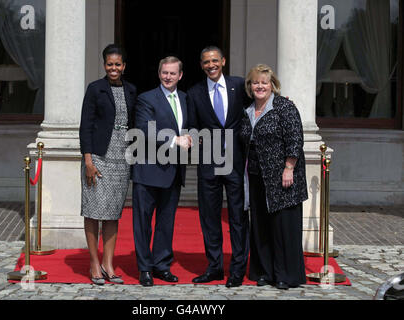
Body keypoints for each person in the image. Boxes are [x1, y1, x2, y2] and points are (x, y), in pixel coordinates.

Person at [240, 64, 308, 290]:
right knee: (261, 226)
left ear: (272, 85)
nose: (260, 86)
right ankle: (264, 272)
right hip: (256, 176)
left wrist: (289, 167)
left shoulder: (283, 107)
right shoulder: (248, 109)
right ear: (250, 86)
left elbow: (295, 138)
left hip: (281, 177)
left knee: (282, 227)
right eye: (255, 82)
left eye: (264, 82)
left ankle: (284, 275)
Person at [187, 46, 250, 288]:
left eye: (215, 60)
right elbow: (192, 126)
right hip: (209, 163)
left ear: (223, 61)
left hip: (235, 162)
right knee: (210, 218)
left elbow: (259, 101)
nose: (211, 65)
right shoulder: (195, 92)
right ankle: (214, 267)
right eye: (206, 62)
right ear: (201, 65)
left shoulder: (239, 85)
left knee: (237, 217)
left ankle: (237, 269)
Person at [79, 44, 137, 285]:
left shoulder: (132, 90)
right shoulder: (95, 89)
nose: (113, 68)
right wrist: (88, 160)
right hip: (99, 157)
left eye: (118, 64)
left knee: (113, 214)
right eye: (109, 64)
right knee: (93, 212)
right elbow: (86, 126)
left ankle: (108, 264)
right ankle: (94, 263)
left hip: (122, 159)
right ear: (104, 65)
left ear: (124, 66)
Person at [132, 56, 192, 286]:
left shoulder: (185, 98)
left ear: (180, 75)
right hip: (148, 170)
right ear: (159, 74)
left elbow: (188, 126)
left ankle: (161, 265)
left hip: (174, 171)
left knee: (166, 223)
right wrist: (175, 140)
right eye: (164, 72)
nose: (168, 77)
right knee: (143, 223)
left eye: (172, 73)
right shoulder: (146, 98)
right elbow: (145, 130)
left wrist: (190, 138)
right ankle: (145, 268)